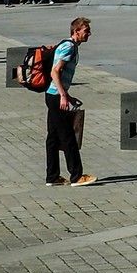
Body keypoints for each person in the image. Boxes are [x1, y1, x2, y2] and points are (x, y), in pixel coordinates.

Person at [44, 16, 95, 187]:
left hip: (52, 95)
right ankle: (76, 176)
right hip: (56, 97)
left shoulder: (66, 44)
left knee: (52, 137)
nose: (89, 34)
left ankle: (52, 176)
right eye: (86, 31)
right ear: (76, 31)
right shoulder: (68, 47)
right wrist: (64, 96)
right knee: (68, 136)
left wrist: (66, 94)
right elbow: (55, 72)